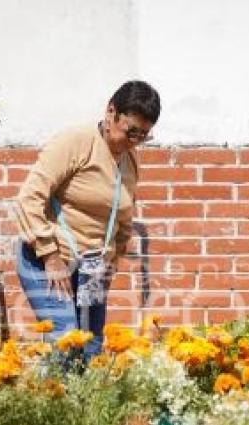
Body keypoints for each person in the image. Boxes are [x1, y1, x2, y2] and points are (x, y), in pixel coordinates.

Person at [14, 80, 160, 358]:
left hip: (92, 267)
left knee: (91, 348)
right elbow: (29, 198)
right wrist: (50, 256)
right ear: (111, 111)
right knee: (66, 338)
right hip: (48, 259)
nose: (135, 142)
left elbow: (124, 216)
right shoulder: (76, 143)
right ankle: (53, 399)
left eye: (144, 135)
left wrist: (111, 261)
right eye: (131, 132)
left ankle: (80, 401)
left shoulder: (130, 160)